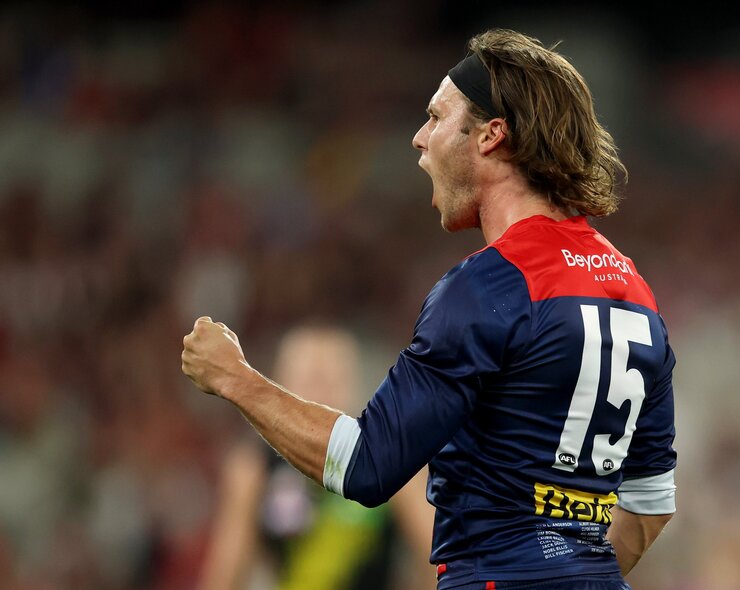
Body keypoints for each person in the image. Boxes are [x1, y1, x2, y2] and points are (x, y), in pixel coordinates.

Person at [183, 29, 676, 590]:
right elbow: (650, 504)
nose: (419, 139)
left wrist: (235, 379)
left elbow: (367, 466)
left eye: (437, 117)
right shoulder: (635, 288)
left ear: (491, 135)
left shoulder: (488, 285)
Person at [197, 325, 435, 590]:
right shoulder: (254, 467)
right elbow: (226, 573)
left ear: (351, 388)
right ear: (279, 384)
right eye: (309, 380)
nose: (319, 395)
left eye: (330, 381)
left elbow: (436, 553)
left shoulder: (390, 459)